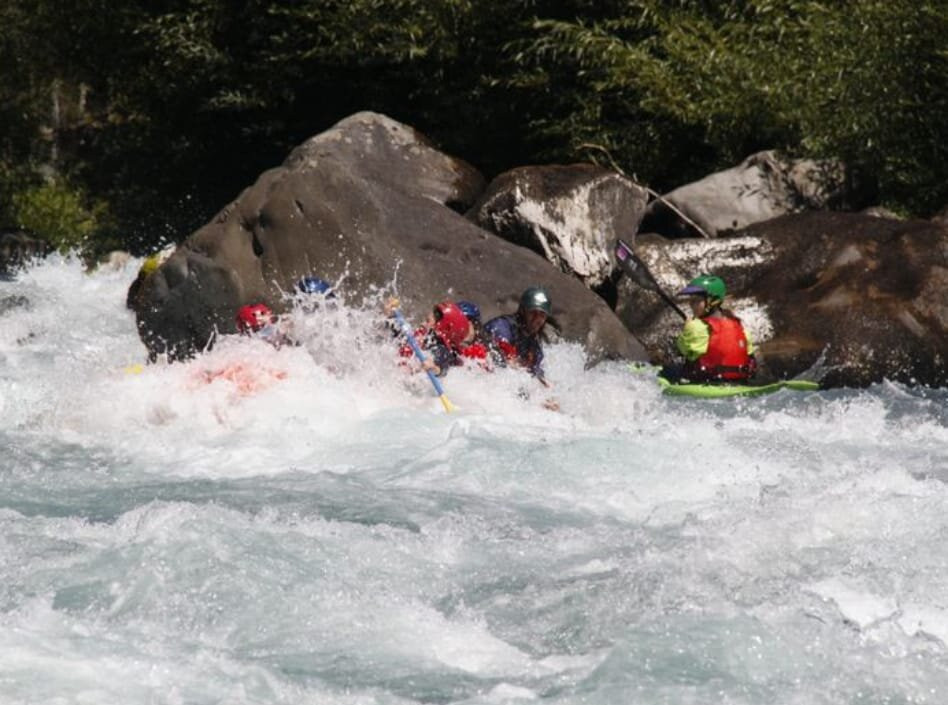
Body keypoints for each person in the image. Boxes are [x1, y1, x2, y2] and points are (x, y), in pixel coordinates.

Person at [663, 274, 757, 383]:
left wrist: (687, 327)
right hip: (740, 382)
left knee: (664, 371)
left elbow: (682, 350)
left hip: (705, 382)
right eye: (690, 300)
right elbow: (750, 357)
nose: (691, 305)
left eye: (696, 300)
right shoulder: (741, 328)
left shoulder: (695, 326)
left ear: (713, 301)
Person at [483, 286, 552, 385]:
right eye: (533, 313)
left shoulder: (534, 347)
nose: (537, 319)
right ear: (523, 311)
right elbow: (503, 357)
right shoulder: (502, 326)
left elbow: (538, 376)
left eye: (542, 315)